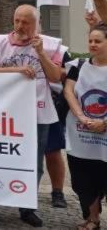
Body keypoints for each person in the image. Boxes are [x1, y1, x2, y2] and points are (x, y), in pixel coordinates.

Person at [0, 4, 64, 227]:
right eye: (17, 21)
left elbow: (55, 77)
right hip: (4, 113)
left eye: (26, 22)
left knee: (34, 161)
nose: (20, 26)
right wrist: (16, 70)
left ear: (37, 24)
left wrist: (41, 52)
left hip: (37, 113)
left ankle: (27, 207)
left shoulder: (52, 45)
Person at [63, 24, 107, 230]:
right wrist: (81, 116)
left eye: (98, 41)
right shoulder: (78, 65)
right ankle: (93, 219)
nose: (92, 44)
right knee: (83, 181)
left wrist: (104, 123)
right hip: (81, 135)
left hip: (104, 134)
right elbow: (69, 91)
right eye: (90, 40)